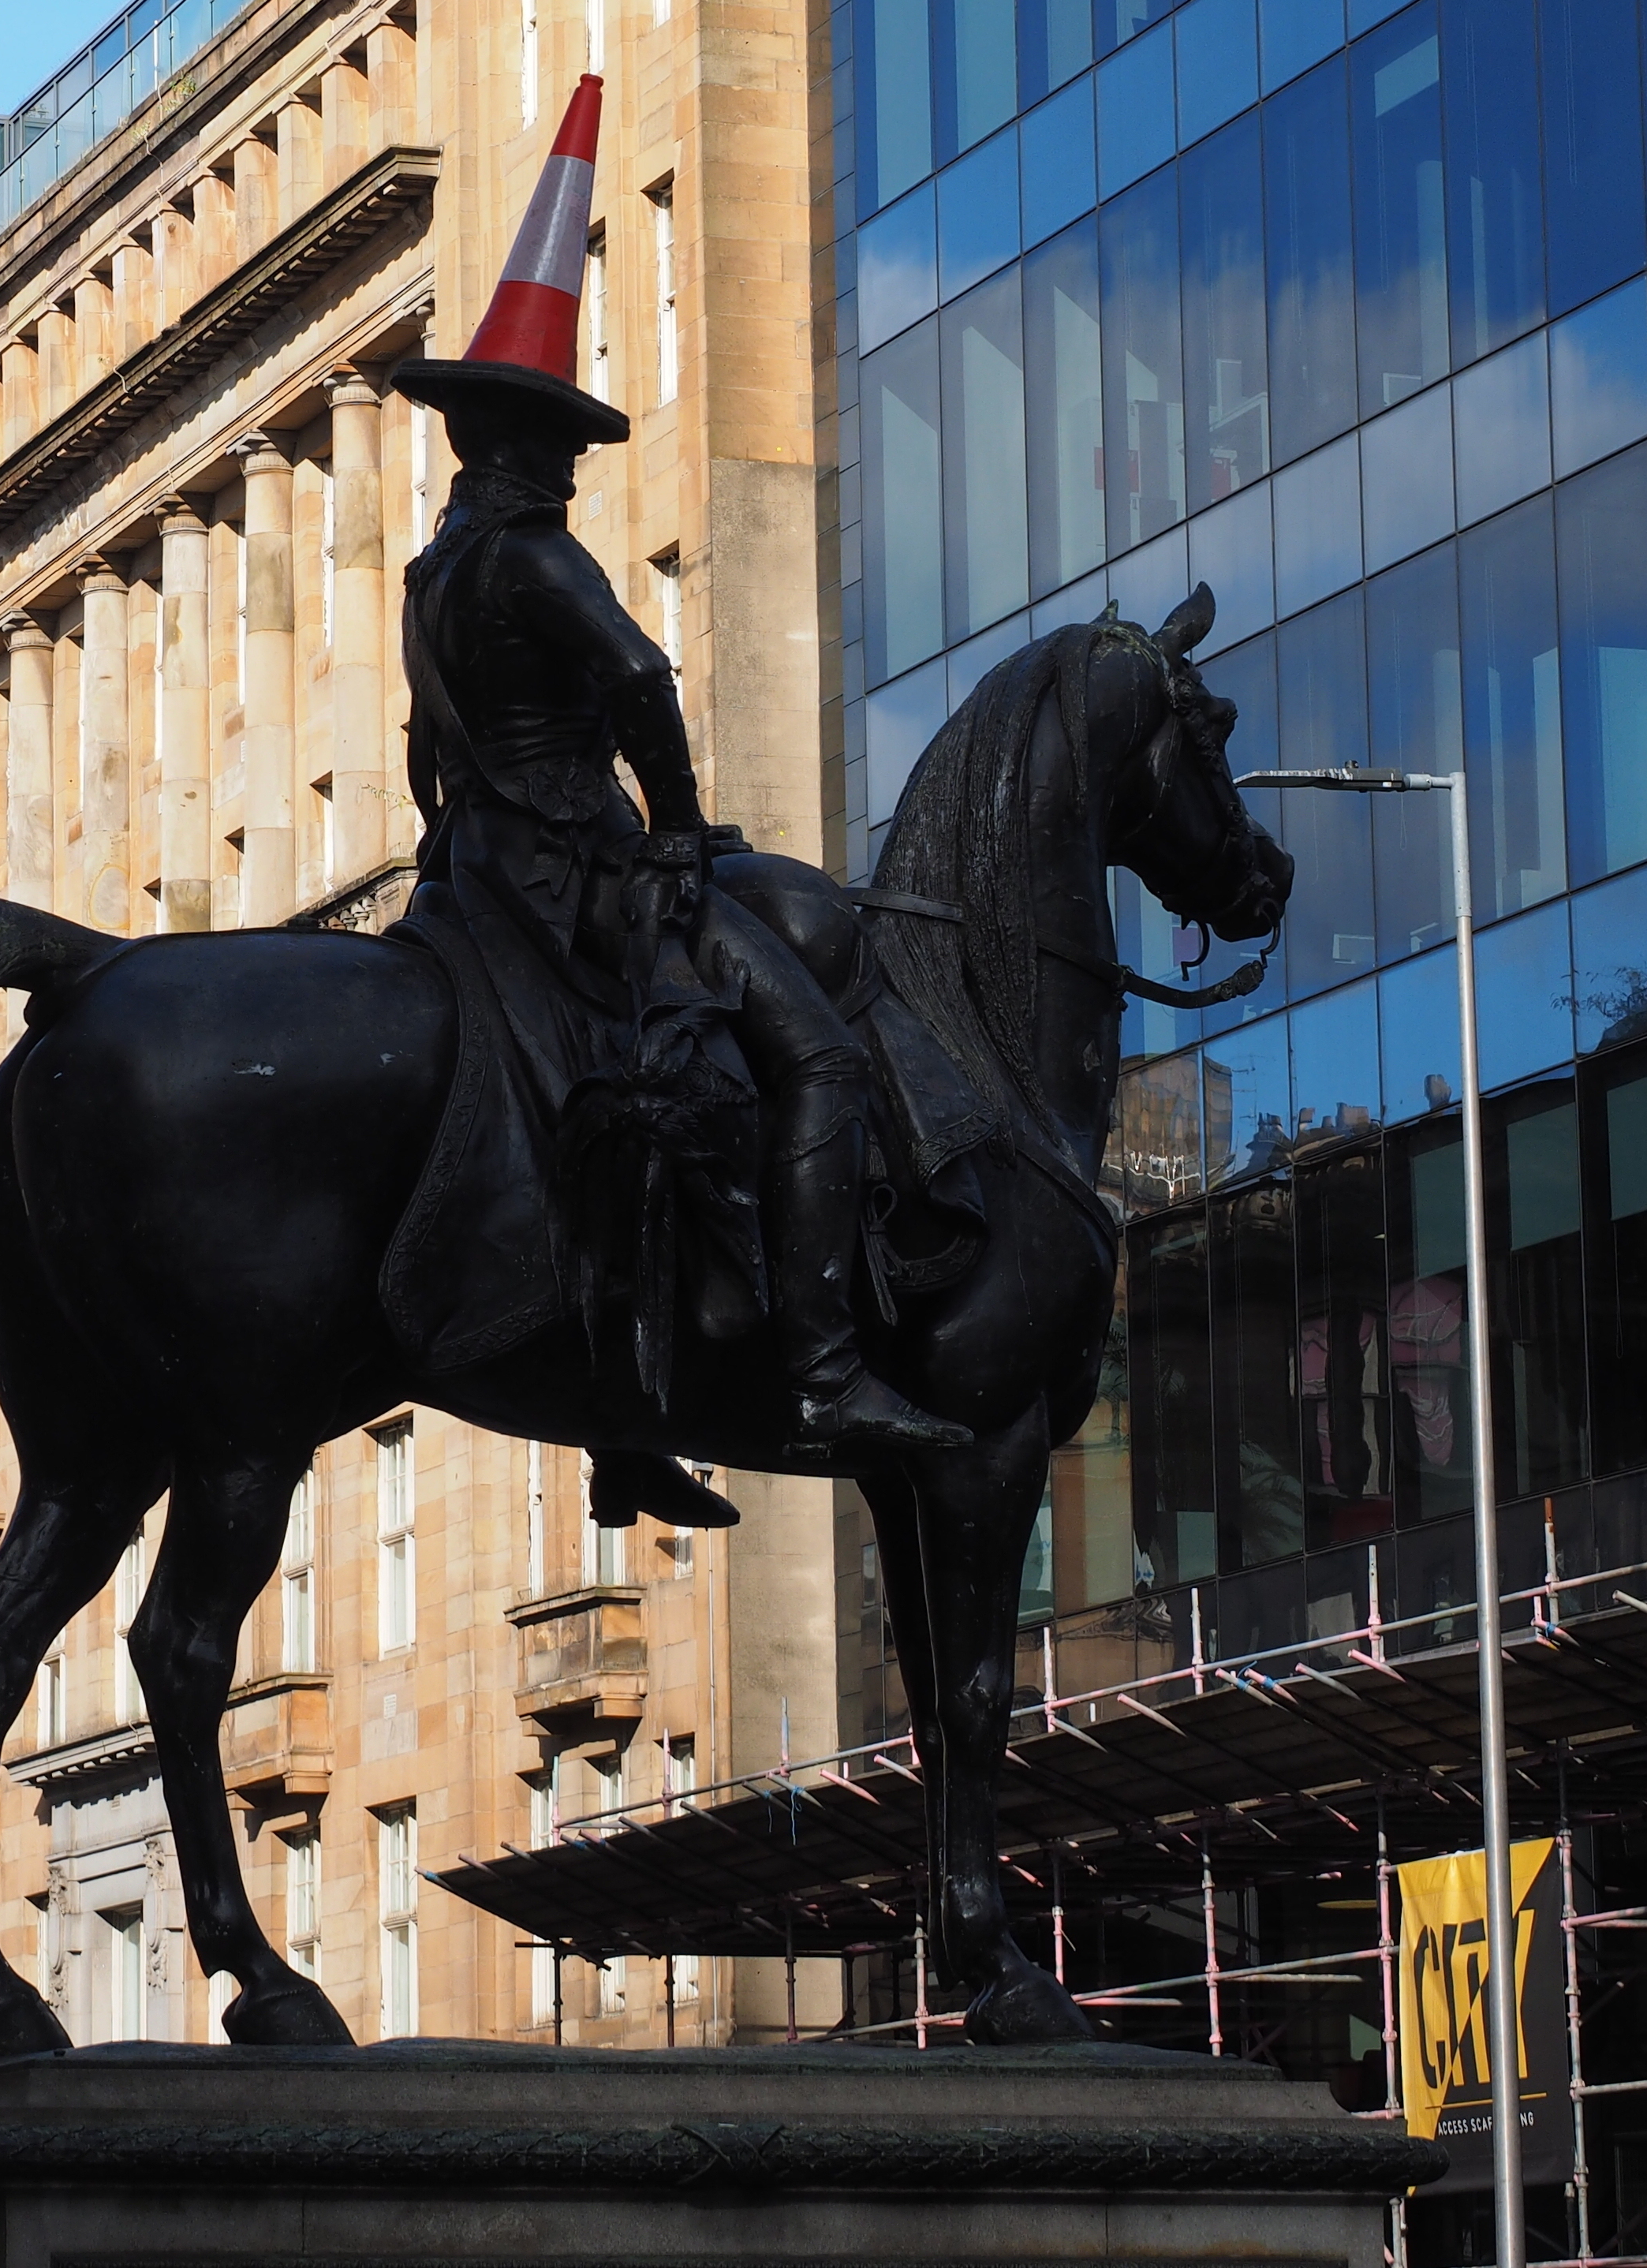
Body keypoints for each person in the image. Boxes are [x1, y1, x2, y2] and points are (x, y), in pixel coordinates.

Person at [390, 73, 966, 1455]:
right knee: (818, 1062)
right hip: (575, 868)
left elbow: (430, 744)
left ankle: (629, 1421)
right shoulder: (532, 554)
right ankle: (824, 1369)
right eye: (565, 443)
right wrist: (683, 822)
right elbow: (641, 678)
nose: (577, 470)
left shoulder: (434, 568)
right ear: (518, 442)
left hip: (468, 875)